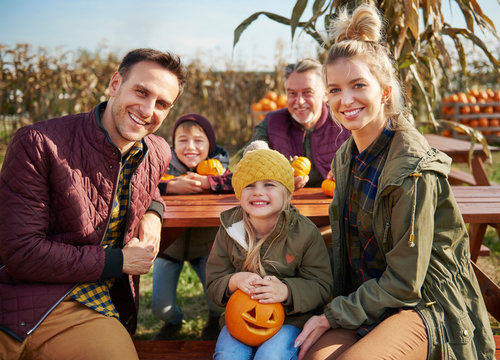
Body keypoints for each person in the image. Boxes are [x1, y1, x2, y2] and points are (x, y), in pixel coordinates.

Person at [294, 3, 496, 360]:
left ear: (385, 91)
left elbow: (405, 284)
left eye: (358, 85)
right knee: (311, 357)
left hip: (424, 306)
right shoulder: (347, 157)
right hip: (369, 300)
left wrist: (331, 315)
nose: (346, 100)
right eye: (335, 89)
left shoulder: (411, 169)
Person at [0, 48, 186, 359]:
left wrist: (153, 213)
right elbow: (21, 253)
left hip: (91, 303)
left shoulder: (157, 152)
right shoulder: (38, 143)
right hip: (21, 295)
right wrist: (119, 262)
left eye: (162, 104)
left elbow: (145, 186)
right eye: (141, 91)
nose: (147, 109)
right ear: (115, 84)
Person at [206, 148, 333, 360]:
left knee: (271, 356)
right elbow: (213, 283)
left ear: (287, 193)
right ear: (239, 192)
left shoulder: (304, 233)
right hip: (240, 318)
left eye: (269, 185)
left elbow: (321, 285)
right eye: (249, 185)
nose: (258, 192)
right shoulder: (230, 229)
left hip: (291, 321)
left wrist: (287, 291)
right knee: (229, 355)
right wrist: (234, 280)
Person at [152, 113, 230, 340]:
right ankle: (173, 321)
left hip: (206, 247)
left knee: (217, 301)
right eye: (183, 140)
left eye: (199, 141)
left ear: (210, 145)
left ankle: (215, 320)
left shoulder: (219, 168)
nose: (191, 147)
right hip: (168, 247)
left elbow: (238, 182)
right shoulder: (162, 165)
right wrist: (170, 186)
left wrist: (209, 182)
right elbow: (142, 184)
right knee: (161, 308)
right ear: (173, 143)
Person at [247, 58, 350, 189]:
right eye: (292, 93)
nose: (299, 101)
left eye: (308, 92)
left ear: (325, 94)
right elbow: (253, 155)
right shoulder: (271, 122)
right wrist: (269, 169)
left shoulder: (344, 121)